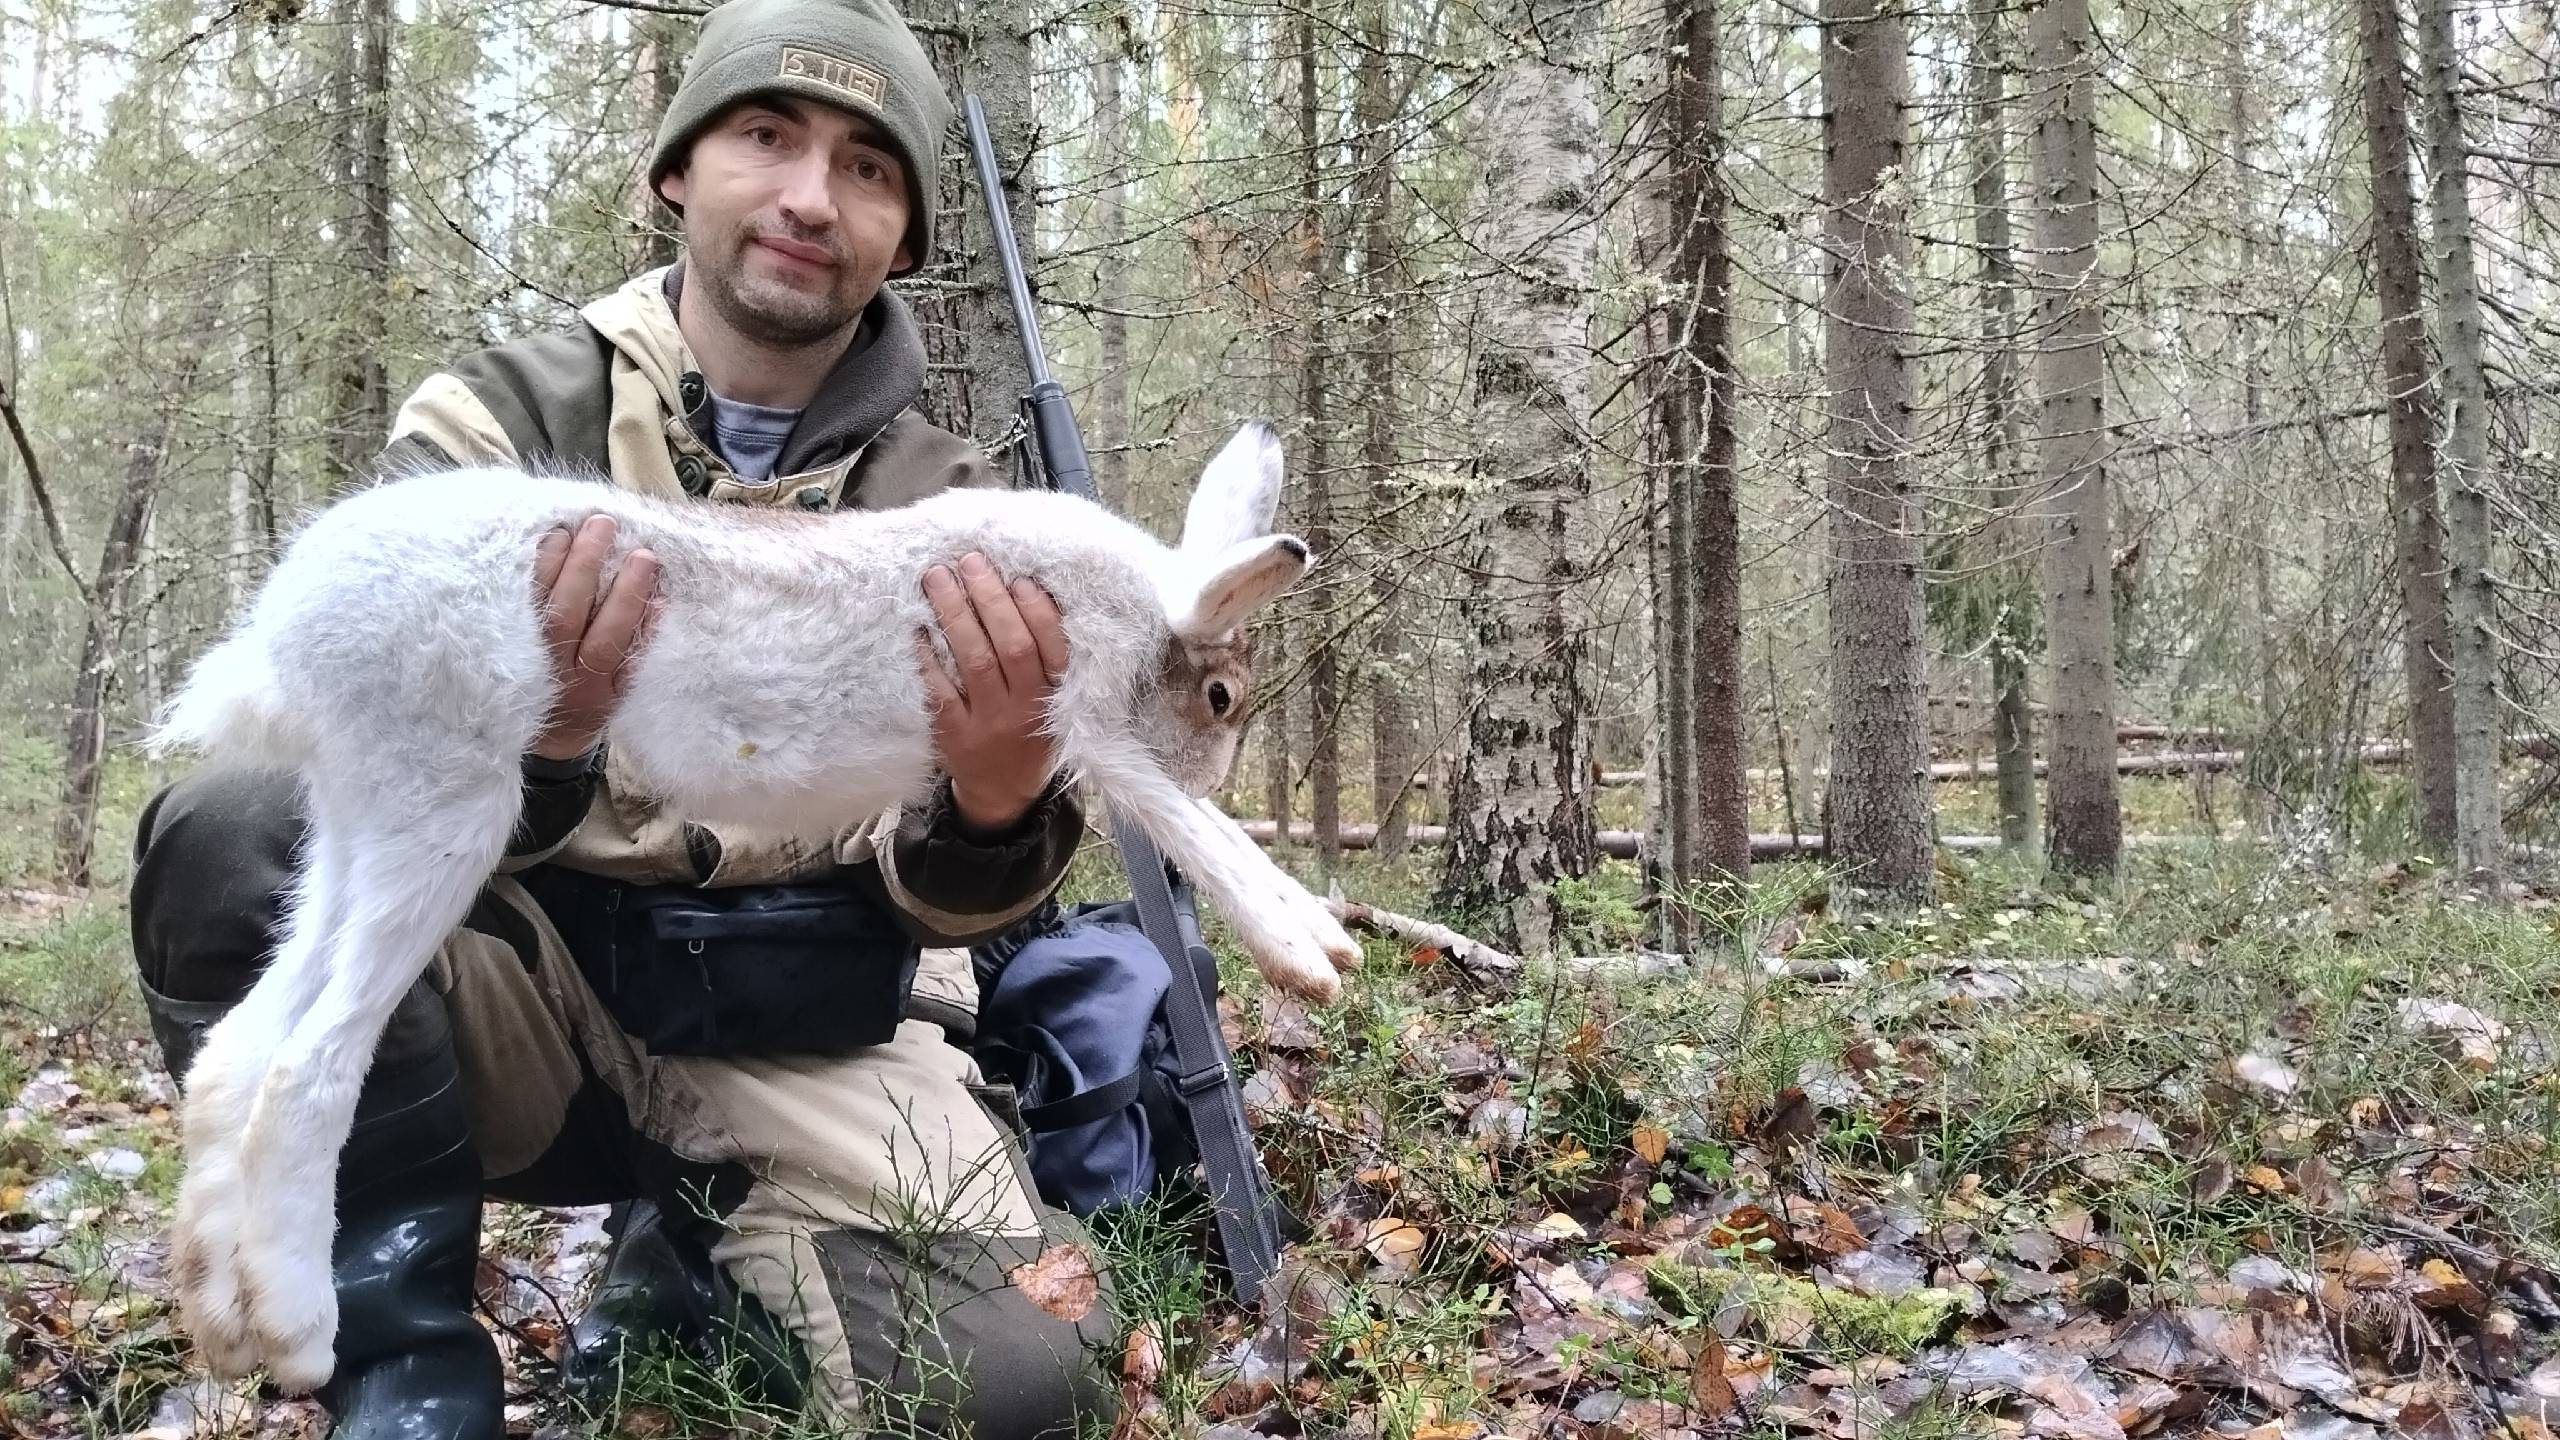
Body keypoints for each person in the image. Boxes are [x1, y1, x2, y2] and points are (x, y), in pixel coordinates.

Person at [123, 0, 1118, 1434]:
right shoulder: (490, 428)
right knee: (236, 833)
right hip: (523, 988)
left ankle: (703, 1269)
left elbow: (955, 902)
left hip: (811, 1026)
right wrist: (553, 732)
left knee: (1015, 1397)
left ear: (904, 234)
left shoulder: (966, 509)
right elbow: (389, 768)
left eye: (867, 166)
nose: (807, 197)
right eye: (766, 136)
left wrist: (998, 794)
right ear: (676, 171)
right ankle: (400, 1377)